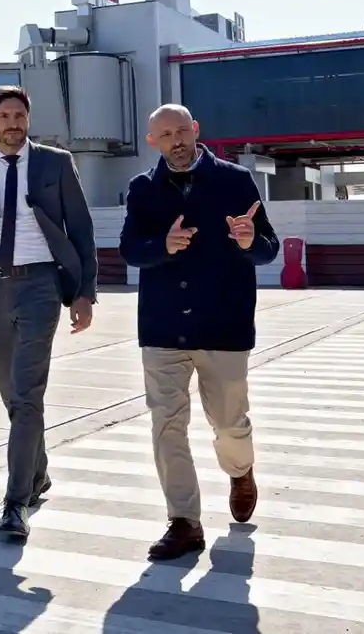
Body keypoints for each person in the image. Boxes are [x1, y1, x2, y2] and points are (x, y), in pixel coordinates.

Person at [118, 103, 280, 560]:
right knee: (167, 426)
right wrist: (161, 245)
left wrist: (249, 240)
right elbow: (130, 248)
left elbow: (268, 248)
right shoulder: (143, 188)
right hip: (162, 327)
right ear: (153, 141)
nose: (177, 140)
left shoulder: (235, 181)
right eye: (166, 134)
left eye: (182, 130)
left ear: (196, 129)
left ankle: (240, 471)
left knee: (229, 423)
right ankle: (184, 521)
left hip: (223, 324)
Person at [0, 84, 98, 539]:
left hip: (41, 286)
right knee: (12, 393)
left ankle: (15, 503)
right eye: (5, 117)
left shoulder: (56, 163)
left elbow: (81, 231)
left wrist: (85, 293)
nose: (13, 123)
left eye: (20, 115)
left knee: (28, 393)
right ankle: (37, 473)